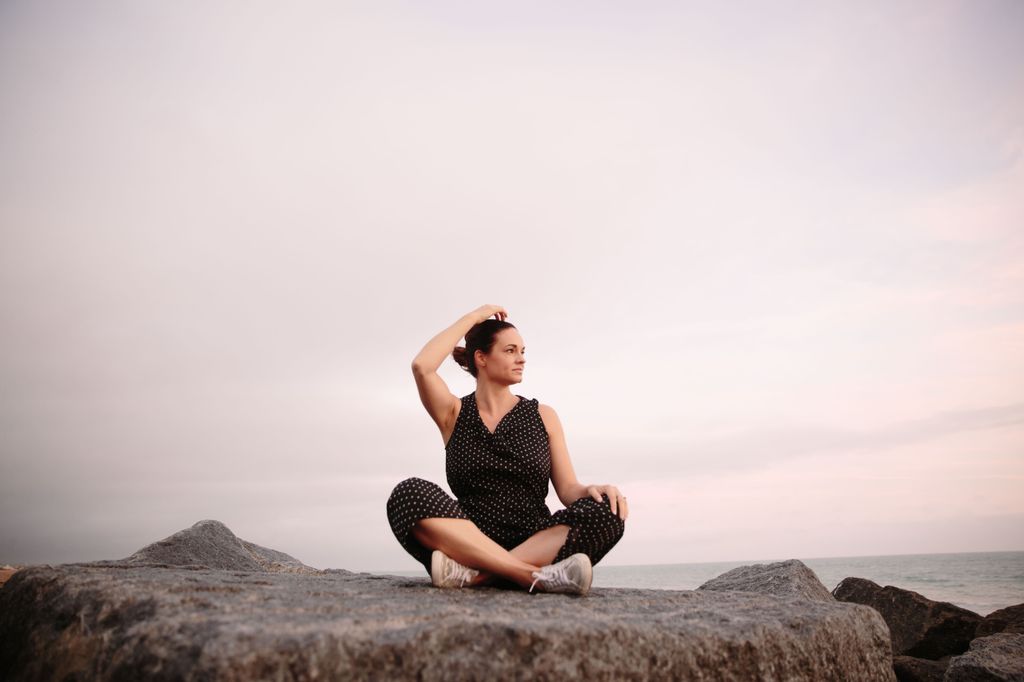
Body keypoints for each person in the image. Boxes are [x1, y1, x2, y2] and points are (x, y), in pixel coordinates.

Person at [386, 304, 628, 596]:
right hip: (466, 539)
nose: (521, 359)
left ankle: (478, 576)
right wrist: (474, 318)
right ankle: (528, 576)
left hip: (536, 539)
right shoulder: (453, 413)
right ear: (481, 358)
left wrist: (594, 490)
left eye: (523, 351)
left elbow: (567, 489)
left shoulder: (543, 415)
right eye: (511, 350)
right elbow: (422, 366)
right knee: (407, 493)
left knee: (609, 511)